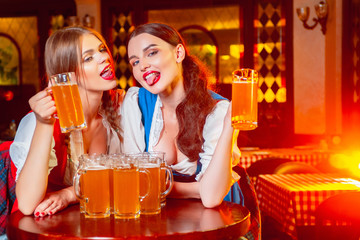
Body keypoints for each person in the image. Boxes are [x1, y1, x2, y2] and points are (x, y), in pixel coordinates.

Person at [122, 22, 260, 240]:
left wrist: (228, 125)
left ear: (178, 53)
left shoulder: (218, 109)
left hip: (222, 220)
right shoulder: (134, 103)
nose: (142, 66)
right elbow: (136, 184)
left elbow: (211, 197)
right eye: (135, 61)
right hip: (164, 221)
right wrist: (196, 189)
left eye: (152, 53)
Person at [9, 26, 124, 217]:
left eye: (102, 49)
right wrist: (44, 124)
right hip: (43, 230)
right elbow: (27, 204)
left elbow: (127, 175)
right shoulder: (40, 119)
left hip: (95, 221)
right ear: (68, 74)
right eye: (88, 58)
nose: (104, 58)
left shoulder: (118, 109)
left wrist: (70, 194)